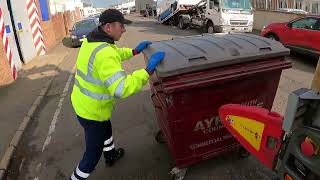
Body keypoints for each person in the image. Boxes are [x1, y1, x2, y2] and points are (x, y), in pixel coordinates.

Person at [69, 9, 165, 180]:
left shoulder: (93, 41)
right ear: (108, 27)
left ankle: (111, 155)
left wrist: (133, 51)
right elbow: (121, 88)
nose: (124, 30)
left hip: (85, 104)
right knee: (91, 156)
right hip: (92, 112)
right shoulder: (104, 51)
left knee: (106, 129)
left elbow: (115, 54)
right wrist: (147, 71)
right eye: (121, 26)